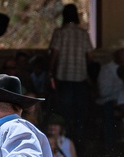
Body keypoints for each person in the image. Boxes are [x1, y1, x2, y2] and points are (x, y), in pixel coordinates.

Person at [48, 3, 93, 143]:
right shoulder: (83, 34)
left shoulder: (59, 32)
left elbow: (54, 54)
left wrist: (50, 72)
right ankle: (78, 143)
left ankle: (65, 141)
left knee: (65, 112)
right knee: (79, 112)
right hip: (80, 77)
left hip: (64, 76)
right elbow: (90, 57)